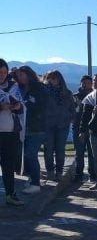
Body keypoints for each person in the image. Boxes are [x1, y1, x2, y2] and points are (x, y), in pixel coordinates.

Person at [15, 65, 48, 195]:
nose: (20, 78)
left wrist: (28, 103)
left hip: (37, 127)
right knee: (27, 155)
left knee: (30, 154)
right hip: (24, 126)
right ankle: (33, 178)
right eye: (18, 76)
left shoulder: (39, 88)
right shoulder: (20, 88)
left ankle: (35, 183)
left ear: (29, 75)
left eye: (22, 75)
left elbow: (42, 106)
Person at [42, 70, 75, 182]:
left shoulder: (67, 93)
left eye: (54, 78)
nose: (52, 80)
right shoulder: (44, 92)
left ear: (60, 79)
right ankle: (50, 171)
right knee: (48, 148)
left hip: (63, 124)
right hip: (48, 124)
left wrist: (71, 117)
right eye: (49, 78)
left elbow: (72, 107)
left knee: (60, 149)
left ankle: (59, 172)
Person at [0, 58, 25, 206]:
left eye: (4, 72)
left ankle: (10, 194)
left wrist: (16, 106)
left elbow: (22, 107)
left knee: (8, 164)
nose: (2, 75)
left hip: (10, 131)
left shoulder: (13, 87)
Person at [72, 75, 94, 183]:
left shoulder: (95, 96)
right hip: (77, 127)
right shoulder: (75, 97)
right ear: (80, 83)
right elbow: (70, 110)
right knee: (79, 153)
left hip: (91, 127)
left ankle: (93, 174)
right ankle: (78, 174)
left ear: (92, 84)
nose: (85, 85)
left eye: (88, 83)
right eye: (83, 83)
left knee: (92, 153)